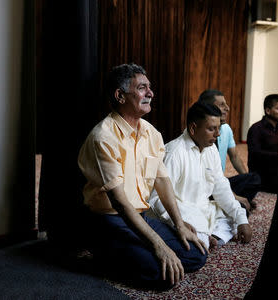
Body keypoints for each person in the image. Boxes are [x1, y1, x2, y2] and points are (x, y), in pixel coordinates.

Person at [77, 63, 207, 290]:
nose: (151, 93)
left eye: (150, 87)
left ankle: (136, 250)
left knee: (196, 255)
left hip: (141, 216)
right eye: (142, 88)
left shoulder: (151, 133)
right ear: (120, 95)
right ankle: (102, 253)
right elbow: (120, 203)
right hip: (110, 221)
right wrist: (158, 245)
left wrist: (179, 225)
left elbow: (162, 181)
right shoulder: (103, 137)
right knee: (162, 275)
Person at [148, 101, 252, 250]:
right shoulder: (175, 152)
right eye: (212, 129)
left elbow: (220, 186)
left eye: (219, 128)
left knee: (238, 214)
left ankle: (209, 237)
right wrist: (180, 223)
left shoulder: (211, 149)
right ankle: (205, 237)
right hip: (182, 213)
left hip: (204, 209)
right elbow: (156, 199)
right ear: (193, 128)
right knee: (194, 243)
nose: (218, 134)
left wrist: (241, 219)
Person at [198, 89, 261, 212]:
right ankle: (229, 203)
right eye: (222, 105)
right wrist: (233, 196)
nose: (227, 108)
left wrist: (246, 180)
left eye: (226, 104)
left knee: (254, 178)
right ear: (208, 107)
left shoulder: (226, 129)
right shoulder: (201, 133)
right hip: (205, 185)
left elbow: (235, 157)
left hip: (220, 181)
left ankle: (233, 202)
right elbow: (209, 177)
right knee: (239, 209)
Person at [246, 94, 278, 194]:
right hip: (263, 177)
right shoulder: (256, 129)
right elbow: (255, 154)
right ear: (268, 111)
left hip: (277, 172)